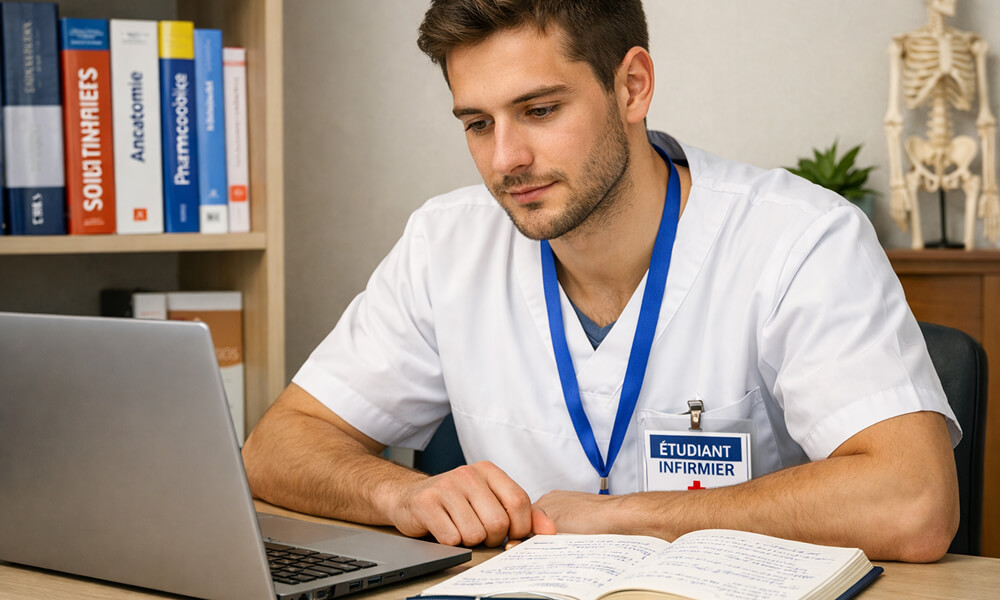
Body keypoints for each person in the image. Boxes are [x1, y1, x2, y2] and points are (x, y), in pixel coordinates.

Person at [243, 0, 961, 562]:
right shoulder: (445, 241)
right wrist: (400, 492)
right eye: (476, 123)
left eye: (539, 110)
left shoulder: (800, 237)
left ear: (632, 86)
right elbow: (276, 449)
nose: (505, 160)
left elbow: (913, 501)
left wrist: (628, 517)